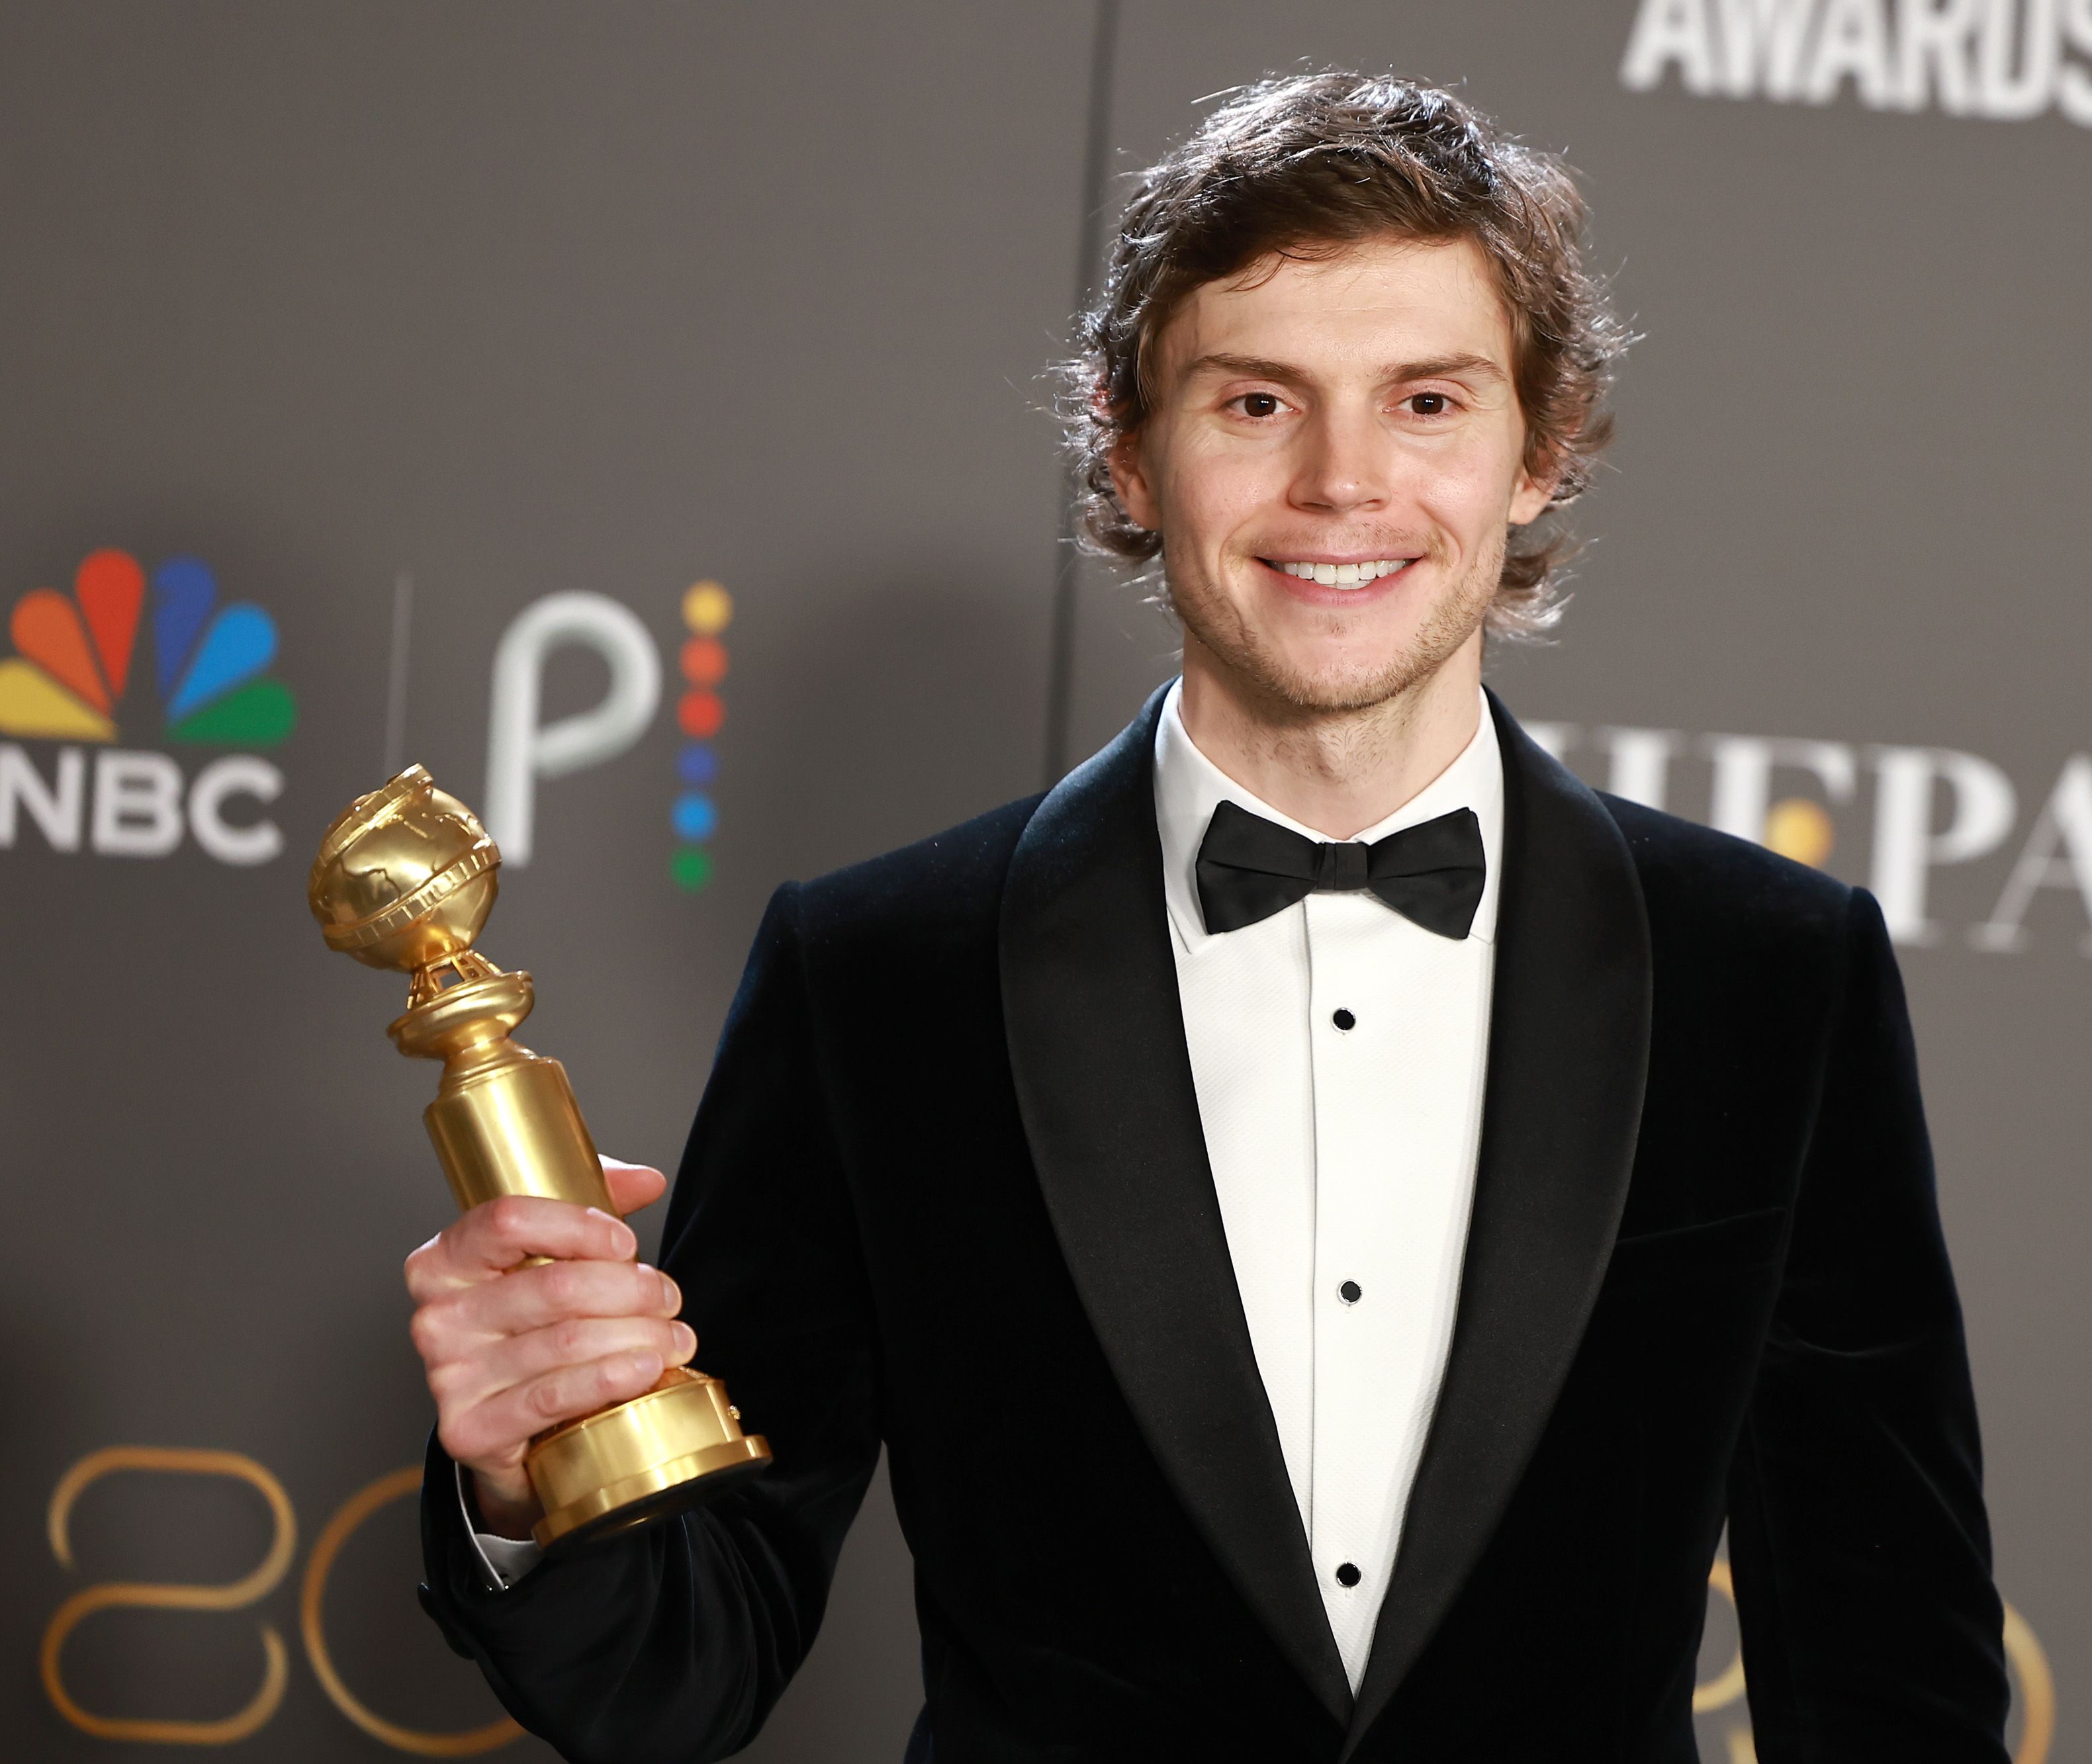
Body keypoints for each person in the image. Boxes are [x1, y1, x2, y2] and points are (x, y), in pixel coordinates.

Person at [402, 72, 2009, 1763]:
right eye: (1255, 402)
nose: (1341, 482)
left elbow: (1888, 1674)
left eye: (1426, 403)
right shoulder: (879, 976)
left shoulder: (1771, 977)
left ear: (1535, 452)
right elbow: (670, 1674)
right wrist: (531, 1467)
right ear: (1128, 444)